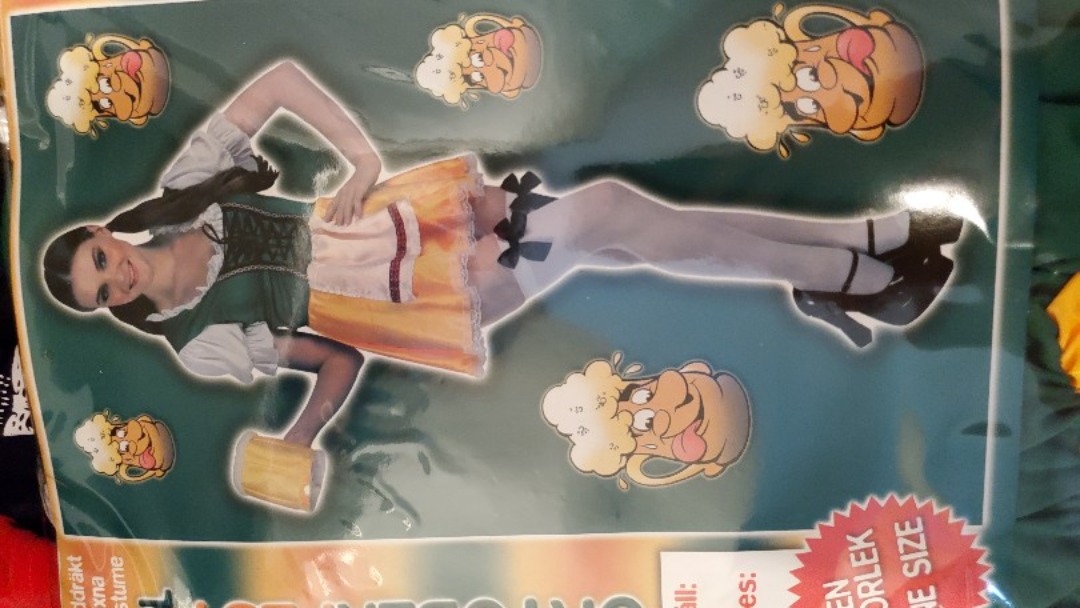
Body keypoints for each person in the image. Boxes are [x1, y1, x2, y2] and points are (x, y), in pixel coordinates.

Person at [43, 61, 960, 449]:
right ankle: (853, 269)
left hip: (396, 223)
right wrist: (297, 437)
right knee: (612, 215)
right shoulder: (199, 341)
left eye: (101, 259)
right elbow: (332, 360)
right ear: (109, 306)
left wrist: (361, 161)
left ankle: (860, 254)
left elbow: (280, 81)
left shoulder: (188, 188)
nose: (118, 275)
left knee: (623, 225)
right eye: (102, 291)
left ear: (104, 235)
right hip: (406, 298)